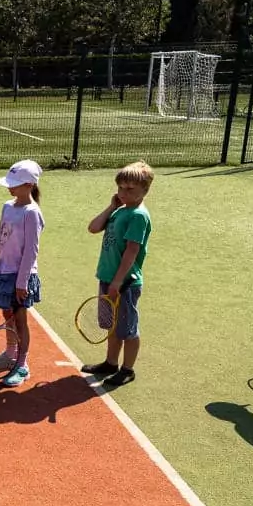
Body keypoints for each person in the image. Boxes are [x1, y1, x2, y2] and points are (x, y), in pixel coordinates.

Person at [82, 161, 153, 389]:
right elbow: (93, 228)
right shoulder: (121, 210)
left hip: (124, 284)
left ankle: (127, 369)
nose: (123, 193)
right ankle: (111, 363)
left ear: (145, 190)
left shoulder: (138, 216)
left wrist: (118, 280)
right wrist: (111, 207)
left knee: (128, 329)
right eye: (121, 188)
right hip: (108, 278)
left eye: (130, 189)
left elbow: (132, 251)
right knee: (113, 326)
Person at [0, 159, 44, 388]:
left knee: (20, 320)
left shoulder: (32, 212)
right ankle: (10, 354)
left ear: (29, 185)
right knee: (7, 315)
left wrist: (22, 281)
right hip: (2, 272)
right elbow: (0, 239)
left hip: (20, 276)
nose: (11, 187)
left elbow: (31, 250)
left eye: (15, 184)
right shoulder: (8, 207)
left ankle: (22, 364)